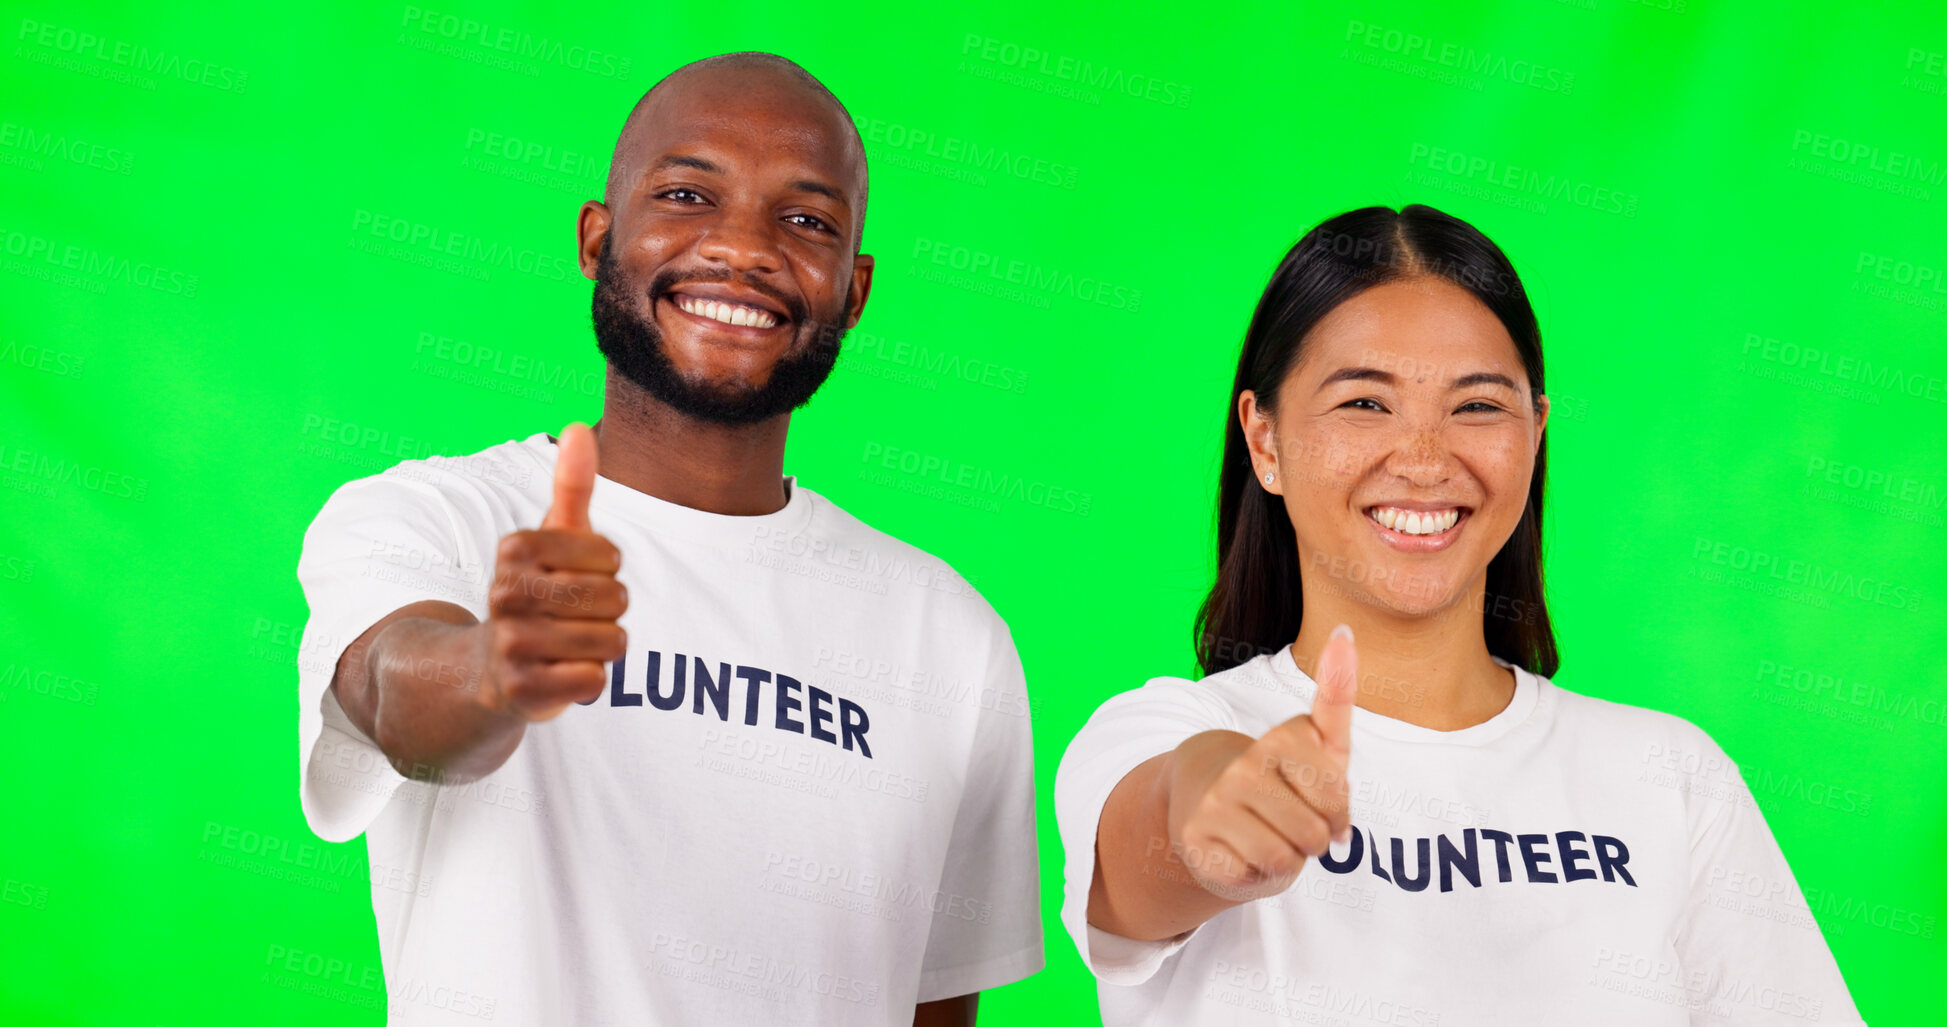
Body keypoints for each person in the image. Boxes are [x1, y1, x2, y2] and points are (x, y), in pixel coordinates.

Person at [294, 52, 1041, 1026]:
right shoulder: (434, 517)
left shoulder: (951, 635)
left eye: (806, 220)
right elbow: (394, 695)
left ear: (854, 293)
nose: (744, 248)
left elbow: (934, 1002)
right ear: (598, 239)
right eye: (688, 194)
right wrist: (496, 666)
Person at [1054, 205, 1864, 1025]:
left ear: (1534, 432)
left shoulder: (1669, 774)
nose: (1423, 459)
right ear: (1264, 440)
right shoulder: (1165, 728)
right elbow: (1151, 844)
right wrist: (1212, 810)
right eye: (1364, 404)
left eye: (1476, 406)